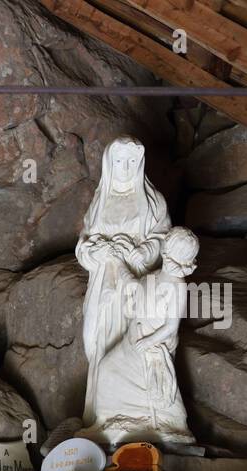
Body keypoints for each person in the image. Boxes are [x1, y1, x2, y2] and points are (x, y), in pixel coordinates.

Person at [75, 136, 171, 431]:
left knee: (133, 343)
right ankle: (104, 415)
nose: (126, 168)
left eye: (131, 161)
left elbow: (164, 239)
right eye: (119, 161)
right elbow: (83, 243)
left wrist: (143, 251)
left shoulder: (153, 201)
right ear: (109, 164)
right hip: (105, 284)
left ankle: (135, 416)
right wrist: (97, 251)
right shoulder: (100, 201)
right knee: (98, 342)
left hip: (136, 285)